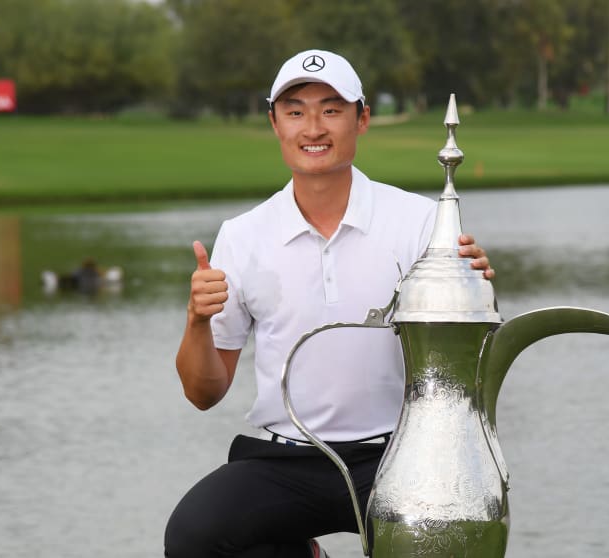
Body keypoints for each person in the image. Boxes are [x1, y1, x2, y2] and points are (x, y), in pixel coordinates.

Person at [165, 49, 494, 558]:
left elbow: (465, 367)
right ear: (274, 122)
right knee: (195, 537)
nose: (312, 127)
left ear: (362, 118)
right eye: (295, 111)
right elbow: (203, 392)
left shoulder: (419, 223)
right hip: (285, 464)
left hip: (399, 455)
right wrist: (197, 322)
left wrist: (472, 296)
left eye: (331, 109)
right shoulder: (243, 236)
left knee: (452, 539)